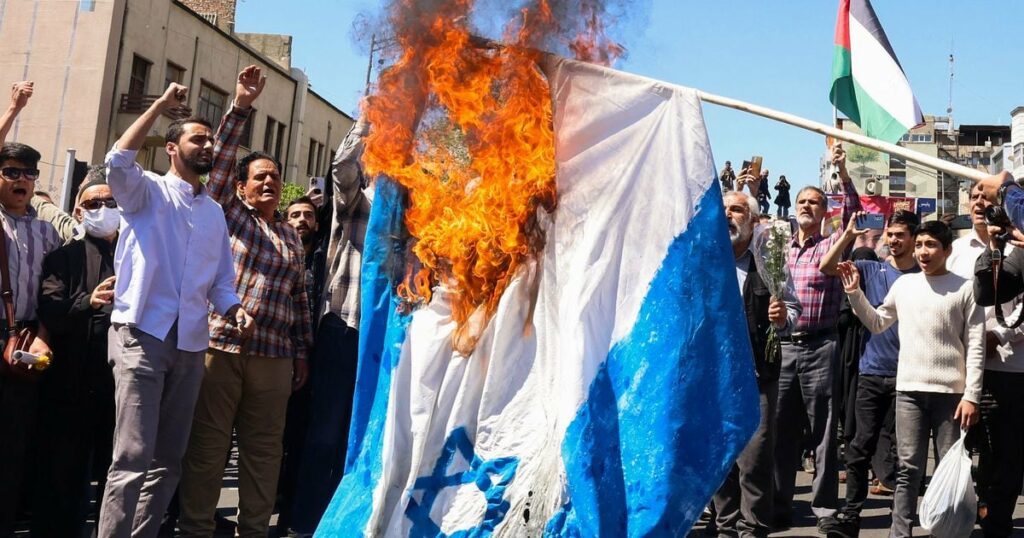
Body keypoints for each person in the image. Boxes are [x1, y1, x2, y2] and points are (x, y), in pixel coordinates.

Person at [99, 82, 254, 538]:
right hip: (141, 335)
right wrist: (160, 106)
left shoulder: (214, 214)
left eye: (211, 139)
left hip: (190, 345)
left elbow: (222, 281)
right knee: (132, 456)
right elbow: (116, 161)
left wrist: (234, 309)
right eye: (197, 138)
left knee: (168, 461)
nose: (207, 145)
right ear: (171, 149)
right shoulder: (143, 191)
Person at [177, 66, 313, 538]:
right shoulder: (227, 214)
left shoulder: (292, 238)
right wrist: (240, 105)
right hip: (220, 348)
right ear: (240, 188)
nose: (269, 182)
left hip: (275, 359)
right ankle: (195, 528)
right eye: (259, 177)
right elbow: (221, 160)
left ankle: (253, 530)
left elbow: (299, 301)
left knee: (264, 450)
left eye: (275, 176)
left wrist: (301, 353)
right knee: (209, 447)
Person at [839, 220, 983, 538]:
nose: (922, 251)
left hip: (951, 396)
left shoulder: (966, 288)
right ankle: (899, 533)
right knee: (907, 470)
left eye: (930, 245)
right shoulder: (904, 286)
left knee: (949, 469)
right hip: (908, 392)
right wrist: (855, 295)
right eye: (919, 245)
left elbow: (976, 345)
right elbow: (877, 323)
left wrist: (972, 395)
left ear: (947, 250)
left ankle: (946, 531)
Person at [770, 144, 861, 532]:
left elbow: (854, 209)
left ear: (825, 212)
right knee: (779, 430)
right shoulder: (780, 248)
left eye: (814, 202)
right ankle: (778, 504)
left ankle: (825, 510)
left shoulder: (833, 243)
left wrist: (842, 169)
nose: (806, 206)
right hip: (785, 346)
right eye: (802, 202)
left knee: (823, 429)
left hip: (822, 345)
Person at [288, 117, 372, 536]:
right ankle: (306, 523)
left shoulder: (419, 210)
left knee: (365, 436)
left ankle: (350, 521)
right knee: (325, 432)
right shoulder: (359, 200)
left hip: (386, 338)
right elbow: (342, 167)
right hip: (344, 327)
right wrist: (372, 117)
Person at [819, 210, 921, 537]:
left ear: (914, 239)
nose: (893, 240)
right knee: (859, 447)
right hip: (872, 373)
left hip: (910, 377)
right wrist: (848, 234)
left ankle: (901, 521)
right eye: (890, 234)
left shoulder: (923, 277)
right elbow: (826, 267)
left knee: (903, 454)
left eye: (900, 235)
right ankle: (851, 516)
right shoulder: (871, 268)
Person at [31, 167, 119, 537]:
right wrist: (90, 301)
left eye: (109, 202)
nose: (102, 208)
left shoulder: (137, 255)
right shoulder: (63, 258)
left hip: (120, 385)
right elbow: (51, 309)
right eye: (93, 203)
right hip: (72, 381)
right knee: (64, 474)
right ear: (78, 212)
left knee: (115, 474)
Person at [712, 190, 800, 538]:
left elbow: (792, 311)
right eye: (724, 210)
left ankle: (753, 530)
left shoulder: (768, 263)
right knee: (720, 464)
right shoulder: (707, 261)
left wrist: (782, 319)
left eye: (736, 210)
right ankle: (725, 529)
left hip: (757, 377)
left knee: (754, 462)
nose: (729, 215)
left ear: (751, 221)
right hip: (715, 381)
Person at [0, 81, 62, 538]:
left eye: (29, 174)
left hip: (25, 344)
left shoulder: (48, 234)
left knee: (15, 447)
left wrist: (43, 333)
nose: (21, 180)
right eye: (11, 171)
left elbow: (56, 293)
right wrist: (15, 107)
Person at [971, 204, 1024, 538]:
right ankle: (976, 510)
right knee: (979, 450)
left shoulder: (1020, 247)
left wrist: (999, 335)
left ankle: (998, 520)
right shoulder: (963, 249)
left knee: (1008, 453)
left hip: (1013, 369)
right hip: (974, 367)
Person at [277, 195, 323, 535]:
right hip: (274, 355)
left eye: (308, 214)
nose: (301, 220)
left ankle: (289, 516)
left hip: (310, 364)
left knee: (299, 440)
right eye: (295, 214)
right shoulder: (276, 255)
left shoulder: (325, 260)